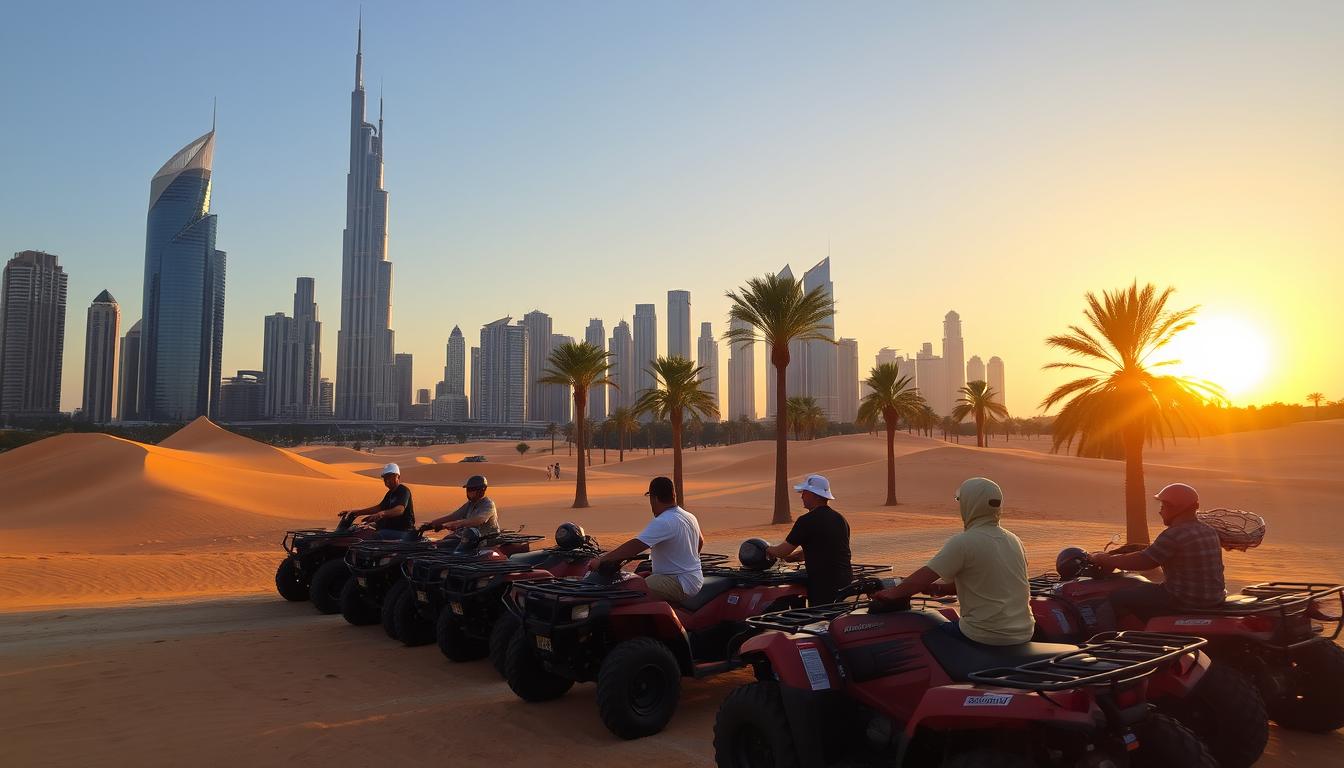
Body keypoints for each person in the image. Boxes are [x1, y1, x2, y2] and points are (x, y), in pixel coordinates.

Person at [874, 477, 1035, 646]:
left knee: (920, 634)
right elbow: (992, 582)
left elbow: (924, 576)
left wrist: (891, 593)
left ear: (970, 505)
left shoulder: (964, 542)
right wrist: (944, 588)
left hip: (984, 634)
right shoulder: (1014, 541)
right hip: (1023, 632)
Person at [1090, 483, 1225, 621]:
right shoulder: (1209, 531)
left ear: (1176, 508)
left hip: (1182, 599)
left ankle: (1109, 639)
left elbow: (1144, 562)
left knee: (1115, 597)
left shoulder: (1174, 534)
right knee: (1142, 588)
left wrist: (1104, 559)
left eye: (1163, 506)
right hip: (1213, 598)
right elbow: (1160, 552)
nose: (1160, 511)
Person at [590, 476, 704, 604]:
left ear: (653, 498)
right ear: (673, 495)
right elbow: (700, 541)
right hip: (692, 578)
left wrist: (602, 559)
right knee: (636, 578)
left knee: (630, 589)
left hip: (679, 582)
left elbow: (635, 546)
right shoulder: (688, 516)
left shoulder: (664, 521)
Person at [764, 474, 852, 605]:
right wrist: (792, 558)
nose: (801, 496)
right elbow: (824, 549)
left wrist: (765, 548)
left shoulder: (806, 521)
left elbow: (782, 551)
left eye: (804, 493)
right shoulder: (840, 519)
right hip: (845, 580)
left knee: (820, 620)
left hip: (823, 583)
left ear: (814, 495)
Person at [340, 463, 416, 541]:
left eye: (389, 477)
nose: (386, 480)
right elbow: (379, 508)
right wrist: (356, 512)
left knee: (375, 536)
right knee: (360, 530)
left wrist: (382, 514)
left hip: (404, 531)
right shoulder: (390, 493)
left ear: (398, 477)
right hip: (391, 529)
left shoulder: (403, 490)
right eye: (385, 477)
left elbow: (400, 510)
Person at [421, 475, 499, 536]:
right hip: (470, 539)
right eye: (468, 489)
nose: (469, 492)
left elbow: (478, 520)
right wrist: (431, 524)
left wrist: (456, 524)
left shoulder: (488, 504)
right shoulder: (470, 504)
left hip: (487, 540)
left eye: (472, 489)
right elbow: (453, 516)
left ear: (482, 490)